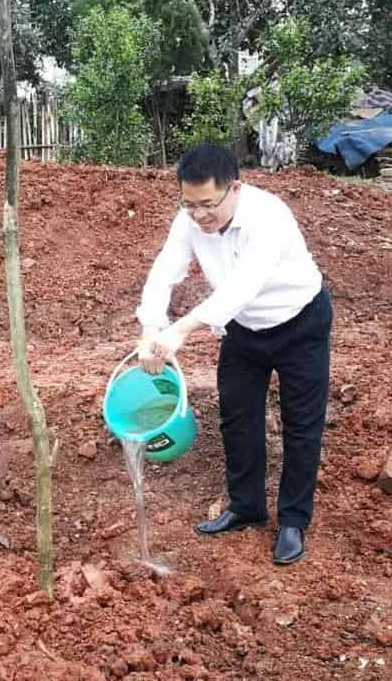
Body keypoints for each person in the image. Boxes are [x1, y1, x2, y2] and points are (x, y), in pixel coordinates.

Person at [135, 143, 332, 565]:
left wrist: (180, 331)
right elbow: (163, 273)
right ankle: (246, 507)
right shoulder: (189, 221)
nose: (199, 215)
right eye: (189, 205)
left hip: (301, 323)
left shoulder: (269, 216)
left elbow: (242, 288)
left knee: (302, 423)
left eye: (208, 204)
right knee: (238, 416)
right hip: (244, 331)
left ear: (235, 189)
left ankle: (293, 521)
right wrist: (151, 328)